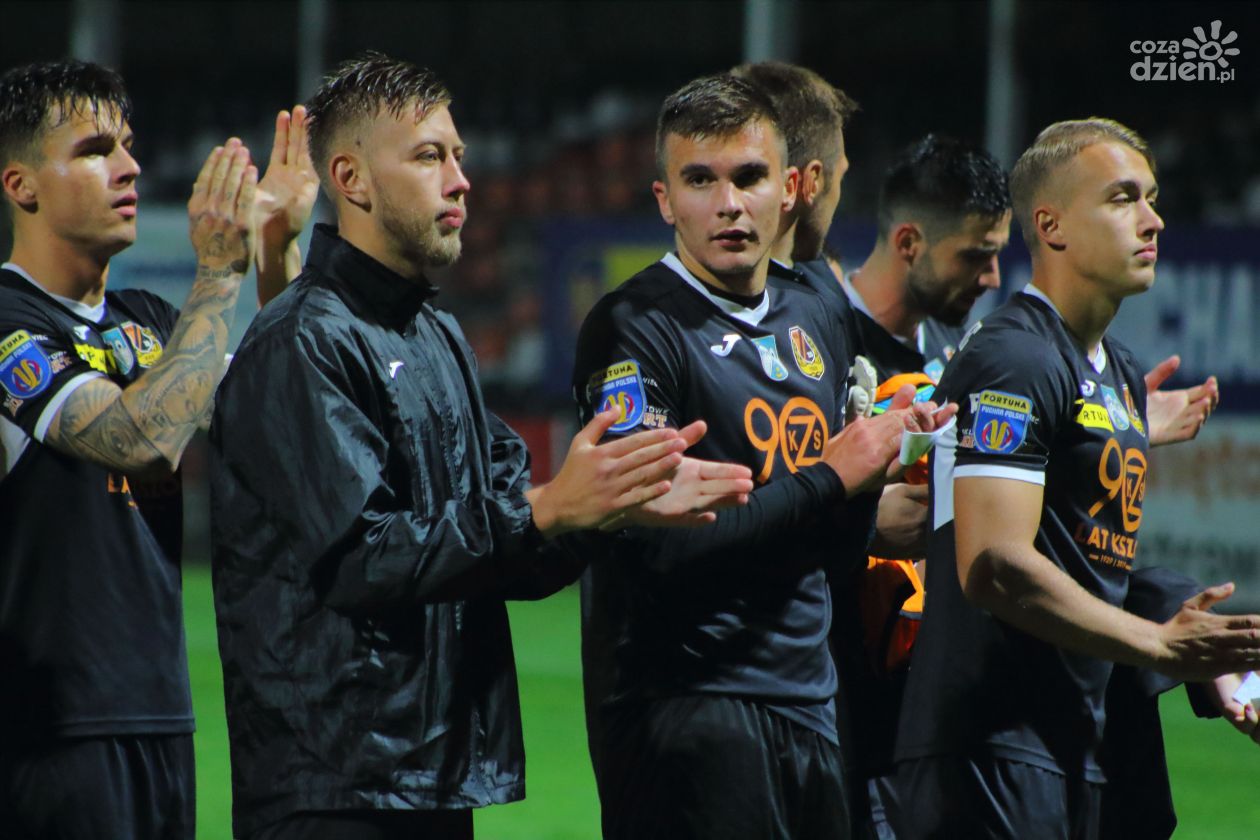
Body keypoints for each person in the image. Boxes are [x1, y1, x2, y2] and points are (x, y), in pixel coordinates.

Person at [208, 53, 751, 840]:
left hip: (430, 779)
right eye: (430, 157)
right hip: (331, 787)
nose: (461, 180)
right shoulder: (302, 341)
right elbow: (362, 560)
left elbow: (507, 551)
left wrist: (605, 508)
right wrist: (547, 509)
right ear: (352, 180)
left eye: (458, 156)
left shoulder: (436, 335)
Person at [572, 72, 953, 840]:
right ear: (664, 201)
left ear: (789, 191)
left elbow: (825, 545)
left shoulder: (816, 312)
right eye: (700, 181)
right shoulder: (634, 327)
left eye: (748, 177)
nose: (728, 203)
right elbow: (659, 544)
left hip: (812, 703)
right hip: (686, 709)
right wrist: (833, 476)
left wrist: (877, 487)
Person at [887, 117, 1260, 839]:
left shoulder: (1115, 370)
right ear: (1050, 225)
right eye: (1123, 198)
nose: (1152, 219)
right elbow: (994, 565)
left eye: (1151, 198)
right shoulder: (1014, 359)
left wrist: (1207, 657)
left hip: (1074, 743)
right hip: (990, 750)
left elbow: (1084, 566)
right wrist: (1160, 644)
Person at [0, 59, 262, 838]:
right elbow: (139, 439)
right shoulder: (8, 321)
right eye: (94, 150)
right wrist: (219, 274)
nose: (129, 167)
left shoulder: (147, 321)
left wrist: (280, 253)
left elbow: (284, 410)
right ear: (21, 185)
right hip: (54, 733)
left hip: (161, 718)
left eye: (127, 146)